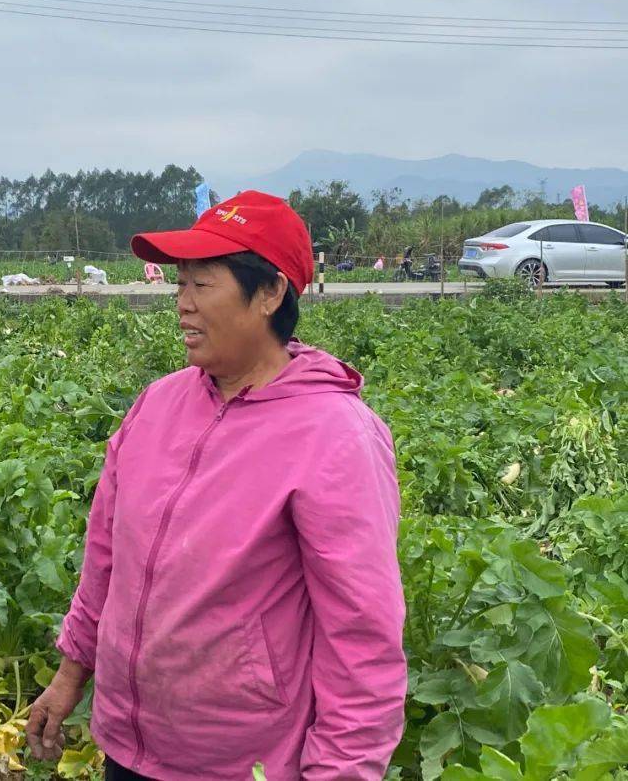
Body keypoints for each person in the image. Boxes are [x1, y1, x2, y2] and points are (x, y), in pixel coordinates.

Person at [27, 191, 407, 781]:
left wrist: (341, 771)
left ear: (271, 293)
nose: (183, 304)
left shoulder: (335, 437)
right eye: (180, 284)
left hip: (239, 762)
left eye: (202, 284)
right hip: (127, 748)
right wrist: (71, 673)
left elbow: (361, 638)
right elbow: (106, 557)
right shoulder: (157, 405)